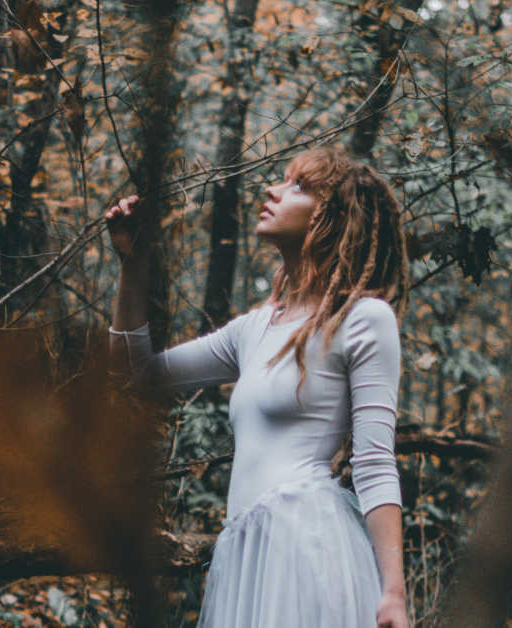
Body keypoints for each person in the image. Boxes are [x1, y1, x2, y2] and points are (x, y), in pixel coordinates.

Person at [106, 145, 410, 627]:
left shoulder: (362, 320)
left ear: (331, 218)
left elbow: (374, 463)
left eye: (298, 186)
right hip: (247, 555)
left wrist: (393, 591)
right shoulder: (254, 330)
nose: (272, 189)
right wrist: (131, 265)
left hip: (307, 547)